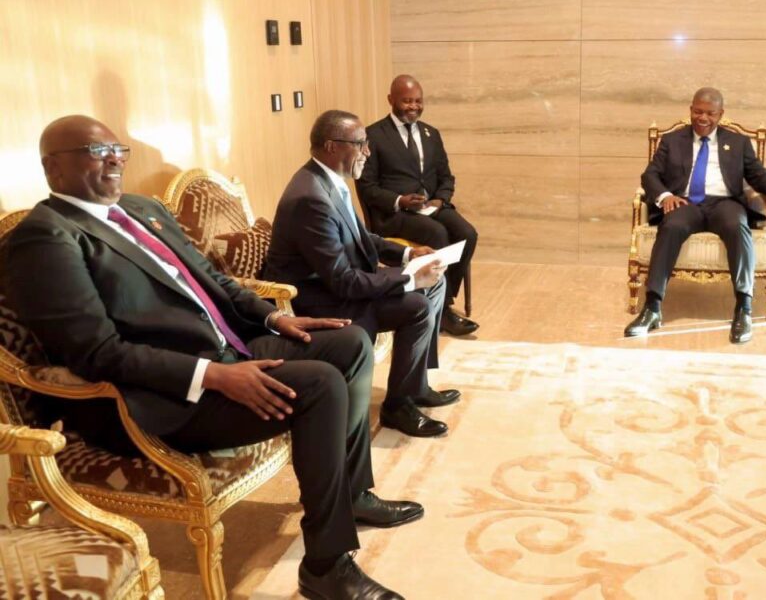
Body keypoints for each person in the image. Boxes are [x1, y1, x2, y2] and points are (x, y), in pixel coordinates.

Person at [2, 115, 412, 600]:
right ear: (53, 168)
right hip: (159, 395)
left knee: (350, 342)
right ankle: (326, 566)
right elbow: (96, 353)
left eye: (117, 149)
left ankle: (353, 493)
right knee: (320, 385)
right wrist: (213, 375)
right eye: (96, 152)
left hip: (226, 347)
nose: (114, 160)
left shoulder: (141, 208)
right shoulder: (46, 238)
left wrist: (273, 318)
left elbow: (214, 280)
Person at [263, 110, 460, 439]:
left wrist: (408, 254)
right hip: (321, 301)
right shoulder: (311, 198)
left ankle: (413, 389)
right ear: (332, 146)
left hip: (339, 284)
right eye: (360, 144)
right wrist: (410, 278)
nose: (367, 151)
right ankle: (398, 406)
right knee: (417, 303)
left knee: (427, 292)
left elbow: (359, 236)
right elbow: (343, 282)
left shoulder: (327, 180)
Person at [624, 88, 766, 344]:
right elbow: (650, 175)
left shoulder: (738, 142)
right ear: (691, 110)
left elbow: (758, 173)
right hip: (686, 202)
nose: (703, 118)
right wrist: (665, 197)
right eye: (698, 111)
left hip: (725, 203)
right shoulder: (672, 140)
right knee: (671, 225)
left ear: (720, 114)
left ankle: (743, 309)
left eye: (710, 113)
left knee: (737, 225)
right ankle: (652, 308)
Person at [359, 75, 479, 337]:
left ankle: (444, 298)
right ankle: (443, 310)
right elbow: (366, 186)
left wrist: (440, 199)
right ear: (391, 100)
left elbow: (446, 177)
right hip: (394, 214)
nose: (413, 106)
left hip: (432, 207)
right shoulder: (373, 135)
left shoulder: (431, 133)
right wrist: (399, 200)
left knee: (467, 234)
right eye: (407, 101)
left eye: (418, 101)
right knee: (438, 234)